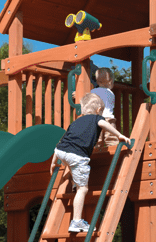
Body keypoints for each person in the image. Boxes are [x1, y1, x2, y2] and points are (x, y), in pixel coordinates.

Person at [52, 92, 129, 233]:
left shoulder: (75, 122)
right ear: (99, 110)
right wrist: (119, 135)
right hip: (78, 156)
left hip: (61, 151)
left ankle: (75, 180)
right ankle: (76, 222)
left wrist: (53, 162)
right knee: (83, 189)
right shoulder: (96, 118)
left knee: (73, 166)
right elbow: (104, 124)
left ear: (82, 109)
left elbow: (63, 141)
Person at [91, 67, 119, 148]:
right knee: (112, 139)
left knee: (96, 140)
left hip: (97, 119)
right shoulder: (111, 93)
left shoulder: (93, 91)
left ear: (97, 81)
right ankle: (115, 154)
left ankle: (95, 153)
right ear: (110, 81)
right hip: (110, 120)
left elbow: (88, 100)